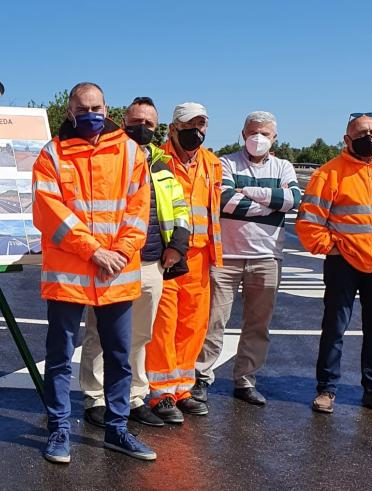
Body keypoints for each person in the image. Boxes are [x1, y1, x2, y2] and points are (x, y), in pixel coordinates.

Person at [32, 82, 156, 463]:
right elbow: (50, 212)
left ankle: (118, 429)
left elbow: (139, 211)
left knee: (119, 356)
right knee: (59, 357)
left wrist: (117, 252)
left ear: (107, 108)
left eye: (97, 107)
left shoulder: (131, 152)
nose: (91, 114)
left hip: (115, 272)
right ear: (70, 111)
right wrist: (94, 251)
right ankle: (60, 431)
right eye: (83, 108)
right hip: (70, 276)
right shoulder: (52, 154)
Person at [78, 96, 191, 429]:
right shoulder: (105, 156)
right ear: (122, 121)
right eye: (137, 122)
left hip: (151, 262)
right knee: (100, 333)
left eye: (149, 124)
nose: (142, 128)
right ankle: (96, 398)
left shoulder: (161, 163)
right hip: (112, 262)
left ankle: (135, 396)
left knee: (141, 334)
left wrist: (177, 247)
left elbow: (179, 209)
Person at [296, 112, 372, 415]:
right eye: (360, 133)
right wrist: (331, 248)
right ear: (347, 140)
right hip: (343, 264)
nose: (368, 137)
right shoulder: (329, 173)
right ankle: (326, 390)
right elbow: (309, 221)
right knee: (335, 328)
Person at [193, 111, 300, 406]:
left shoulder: (283, 166)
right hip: (226, 256)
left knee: (257, 324)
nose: (259, 138)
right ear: (243, 134)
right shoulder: (226, 163)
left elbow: (292, 200)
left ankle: (245, 380)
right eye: (253, 132)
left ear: (274, 137)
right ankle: (200, 378)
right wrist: (270, 203)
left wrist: (250, 193)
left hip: (267, 257)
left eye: (265, 133)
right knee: (213, 322)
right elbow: (225, 200)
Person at [145, 102, 223, 423]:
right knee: (163, 325)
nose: (197, 132)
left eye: (202, 125)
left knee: (192, 325)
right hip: (169, 256)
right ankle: (160, 392)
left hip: (201, 257)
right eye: (190, 125)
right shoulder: (156, 160)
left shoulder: (212, 164)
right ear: (172, 129)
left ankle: (182, 388)